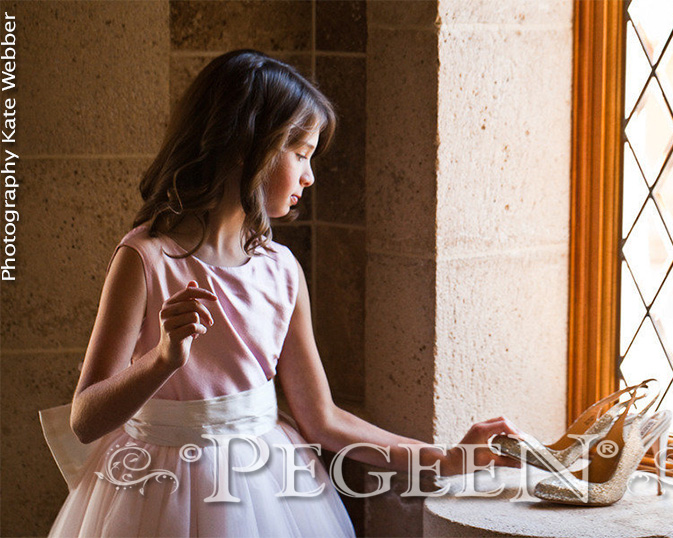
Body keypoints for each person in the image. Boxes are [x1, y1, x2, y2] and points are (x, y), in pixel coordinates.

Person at [38, 49, 522, 537]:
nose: (310, 176)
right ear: (249, 148)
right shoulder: (145, 259)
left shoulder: (281, 269)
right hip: (153, 493)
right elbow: (84, 420)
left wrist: (443, 459)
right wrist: (163, 359)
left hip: (264, 486)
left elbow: (324, 419)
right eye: (303, 154)